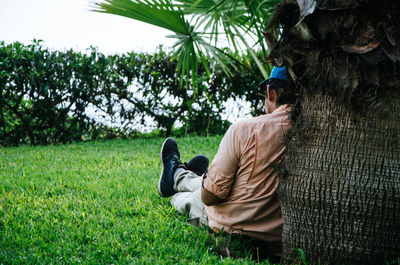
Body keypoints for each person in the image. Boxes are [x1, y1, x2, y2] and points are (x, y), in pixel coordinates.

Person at [157, 66, 295, 258]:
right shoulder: (319, 134)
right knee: (212, 180)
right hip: (278, 238)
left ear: (270, 92)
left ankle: (175, 180)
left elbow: (210, 196)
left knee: (185, 198)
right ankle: (180, 173)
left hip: (231, 226)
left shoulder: (246, 129)